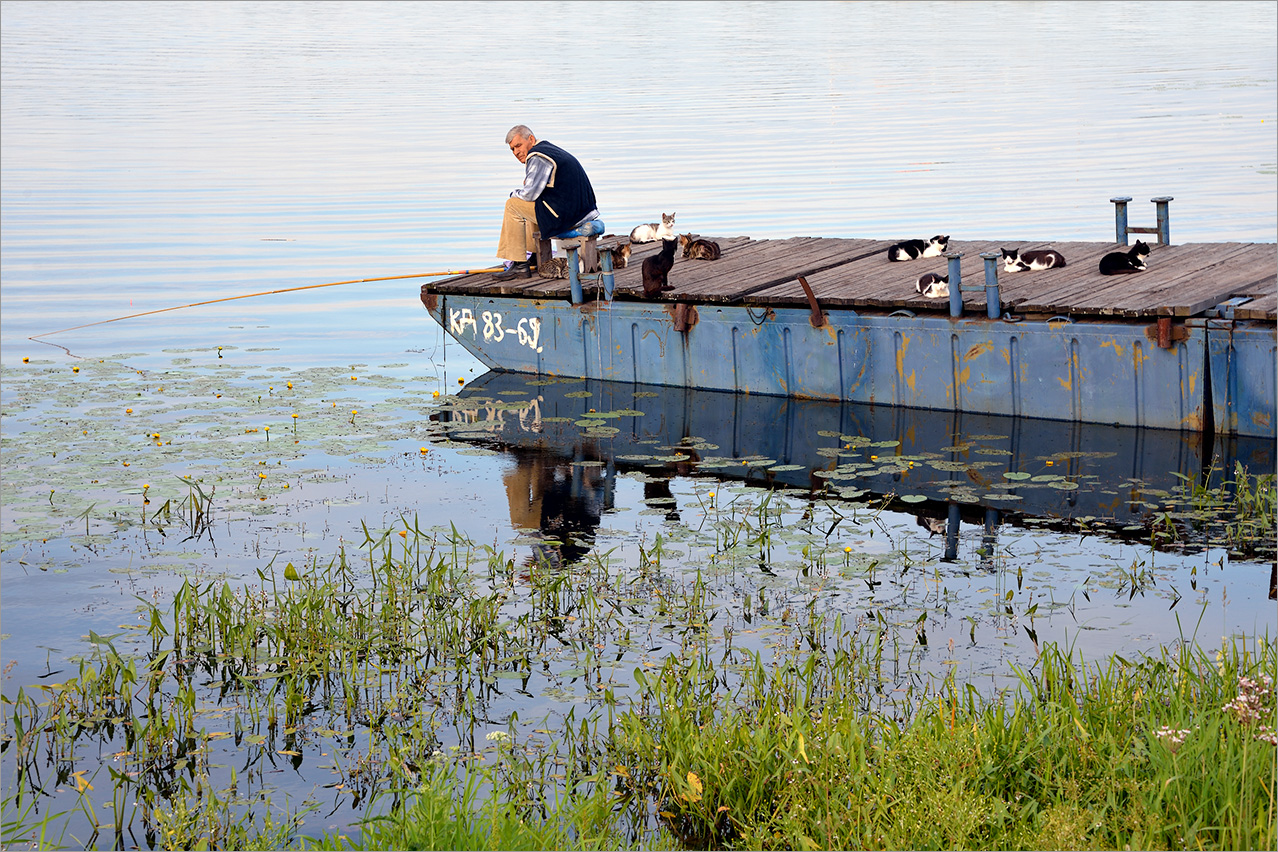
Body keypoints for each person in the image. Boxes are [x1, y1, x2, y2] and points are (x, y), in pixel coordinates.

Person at [493, 125, 599, 281]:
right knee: (533, 202)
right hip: (582, 212)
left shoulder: (537, 157)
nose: (516, 152)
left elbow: (529, 194)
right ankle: (534, 256)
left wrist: (513, 193)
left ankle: (520, 264)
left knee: (513, 205)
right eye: (512, 149)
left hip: (569, 217)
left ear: (531, 139)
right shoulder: (550, 150)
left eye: (518, 146)